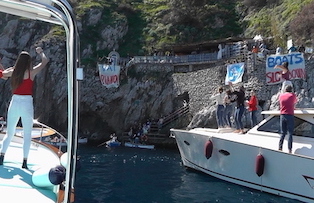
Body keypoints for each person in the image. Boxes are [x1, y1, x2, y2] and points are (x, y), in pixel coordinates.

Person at [0, 47, 49, 169]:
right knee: (27, 134)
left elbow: (2, 74)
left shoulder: (14, 71)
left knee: (9, 133)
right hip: (27, 103)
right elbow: (45, 61)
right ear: (28, 61)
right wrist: (41, 52)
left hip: (15, 101)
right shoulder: (31, 73)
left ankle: (1, 156)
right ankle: (24, 162)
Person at [278, 85, 297, 153]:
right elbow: (294, 102)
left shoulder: (281, 96)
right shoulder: (292, 95)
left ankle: (280, 147)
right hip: (290, 115)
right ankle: (290, 149)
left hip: (282, 115)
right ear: (291, 90)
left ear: (285, 90)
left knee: (283, 133)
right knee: (290, 133)